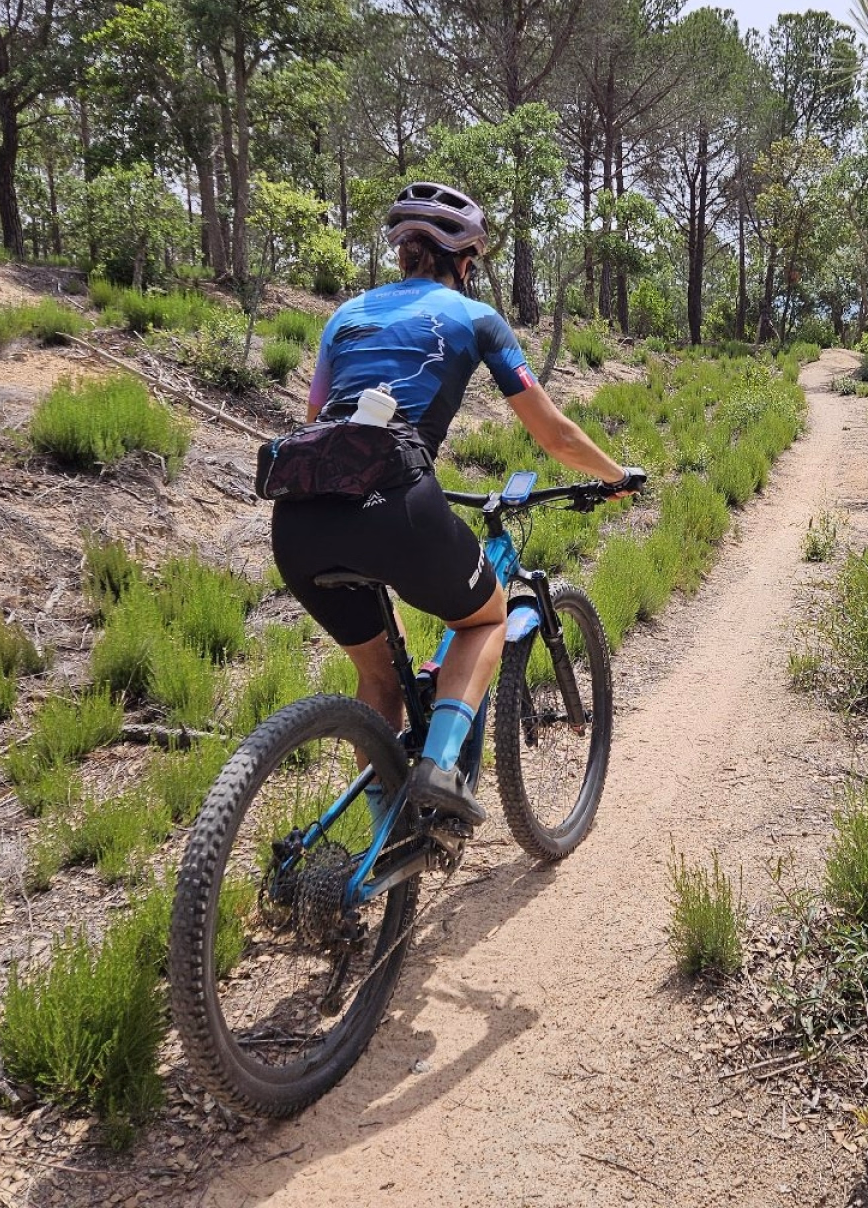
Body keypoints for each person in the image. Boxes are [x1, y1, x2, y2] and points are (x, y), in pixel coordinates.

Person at [271, 181, 639, 827]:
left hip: (298, 517)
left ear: (402, 253)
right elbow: (554, 435)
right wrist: (616, 477)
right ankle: (441, 767)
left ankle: (387, 836)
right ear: (465, 257)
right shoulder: (474, 318)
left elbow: (315, 422)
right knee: (482, 619)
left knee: (381, 678)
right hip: (397, 501)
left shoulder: (344, 316)